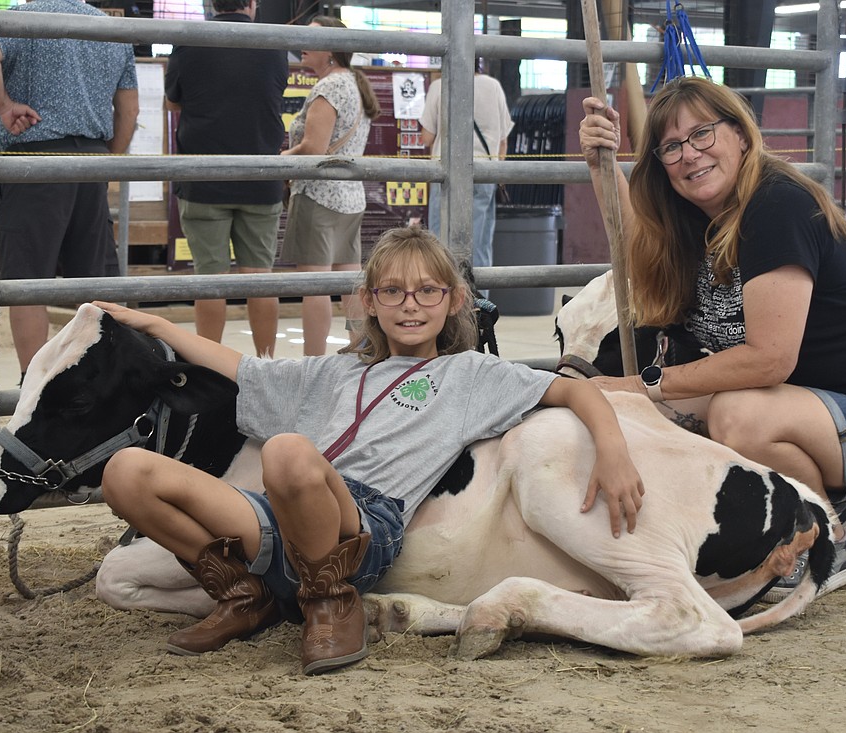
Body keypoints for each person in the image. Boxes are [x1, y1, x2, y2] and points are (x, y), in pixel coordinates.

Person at [95, 226, 644, 675]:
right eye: (393, 292)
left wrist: (613, 451)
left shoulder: (470, 373)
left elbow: (572, 388)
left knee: (287, 451)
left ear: (453, 301)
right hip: (282, 515)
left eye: (428, 291)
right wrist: (158, 324)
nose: (411, 306)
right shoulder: (336, 371)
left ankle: (329, 601)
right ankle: (243, 596)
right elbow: (241, 368)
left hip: (362, 529)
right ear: (369, 301)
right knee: (126, 471)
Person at [578, 77, 846, 600]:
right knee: (620, 407)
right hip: (805, 404)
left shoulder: (776, 206)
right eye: (672, 147)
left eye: (702, 134)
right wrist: (601, 163)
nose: (689, 155)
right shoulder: (693, 220)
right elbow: (636, 243)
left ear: (741, 135)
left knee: (735, 414)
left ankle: (825, 538)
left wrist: (648, 382)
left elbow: (769, 360)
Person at [0, 0, 139, 377]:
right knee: (95, 286)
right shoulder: (109, 28)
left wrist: (3, 105)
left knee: (28, 284)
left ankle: (35, 387)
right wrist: (106, 162)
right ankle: (98, 382)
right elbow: (130, 111)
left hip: (34, 161)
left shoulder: (21, 16)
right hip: (91, 161)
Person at [165, 0, 288, 357]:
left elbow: (174, 103)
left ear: (211, 5)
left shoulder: (190, 40)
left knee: (211, 281)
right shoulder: (273, 43)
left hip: (203, 178)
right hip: (261, 176)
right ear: (251, 4)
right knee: (259, 278)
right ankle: (266, 364)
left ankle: (208, 366)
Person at [280, 15, 379, 356]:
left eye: (313, 39)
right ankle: (363, 352)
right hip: (351, 196)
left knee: (315, 286)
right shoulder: (353, 82)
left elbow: (314, 148)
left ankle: (314, 362)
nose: (303, 45)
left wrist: (281, 159)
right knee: (349, 284)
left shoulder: (329, 86)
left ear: (333, 50)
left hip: (319, 196)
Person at [420, 59, 513, 288]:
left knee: (440, 244)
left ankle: (442, 303)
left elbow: (427, 137)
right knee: (479, 246)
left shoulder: (439, 86)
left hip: (445, 174)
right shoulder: (493, 86)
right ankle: (480, 310)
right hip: (483, 173)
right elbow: (503, 141)